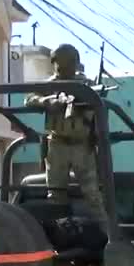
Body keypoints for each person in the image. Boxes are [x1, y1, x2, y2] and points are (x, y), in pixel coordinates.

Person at [24, 43, 108, 231]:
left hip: (82, 145)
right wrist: (46, 101)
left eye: (70, 63)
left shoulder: (85, 84)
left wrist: (87, 102)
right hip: (57, 144)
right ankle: (59, 234)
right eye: (62, 64)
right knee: (55, 194)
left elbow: (99, 105)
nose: (66, 68)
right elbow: (29, 98)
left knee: (93, 195)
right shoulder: (50, 84)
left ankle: (108, 236)